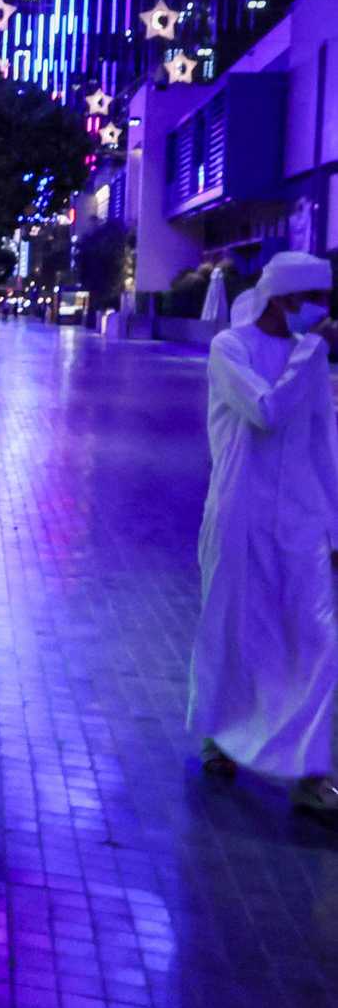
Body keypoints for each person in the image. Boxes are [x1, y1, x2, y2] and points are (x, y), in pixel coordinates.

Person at [188, 249, 338, 818]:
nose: (320, 311)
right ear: (284, 298)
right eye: (313, 300)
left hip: (300, 520)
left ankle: (310, 771)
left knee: (317, 641)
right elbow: (265, 412)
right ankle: (220, 737)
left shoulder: (309, 354)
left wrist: (336, 526)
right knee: (235, 628)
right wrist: (310, 352)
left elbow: (324, 443)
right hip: (240, 516)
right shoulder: (230, 349)